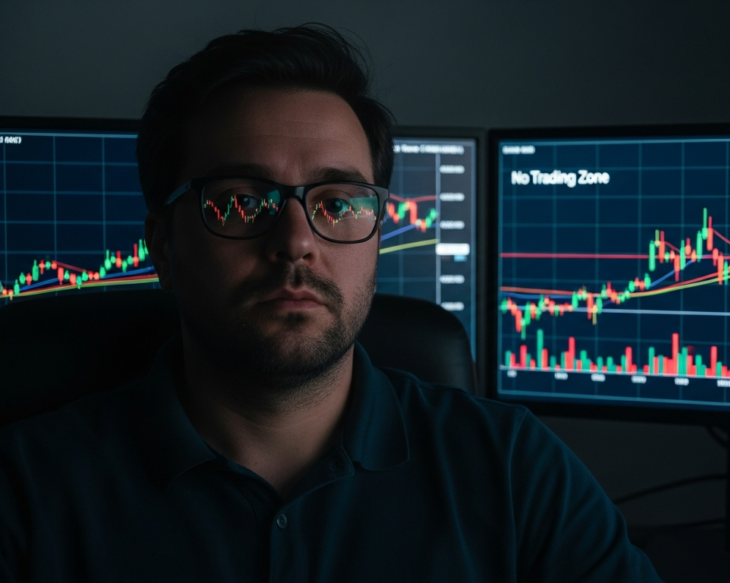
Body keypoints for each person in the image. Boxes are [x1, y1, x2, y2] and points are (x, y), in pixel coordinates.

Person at [0, 24, 662, 582]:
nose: (296, 243)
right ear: (163, 246)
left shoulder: (513, 468)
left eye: (339, 204)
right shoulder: (25, 489)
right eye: (241, 202)